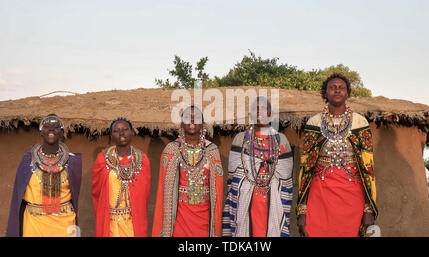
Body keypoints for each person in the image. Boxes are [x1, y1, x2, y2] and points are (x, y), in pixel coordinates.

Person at [296, 73, 378, 237]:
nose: (337, 91)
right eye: (332, 87)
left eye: (341, 88)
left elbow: (368, 168)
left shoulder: (359, 122)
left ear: (348, 93)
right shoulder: (314, 123)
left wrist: (368, 208)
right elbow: (305, 169)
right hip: (320, 195)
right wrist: (302, 210)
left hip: (353, 195)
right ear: (325, 93)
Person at [222, 97, 294, 237]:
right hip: (244, 203)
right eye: (256, 109)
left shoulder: (281, 140)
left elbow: (286, 181)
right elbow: (233, 179)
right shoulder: (240, 139)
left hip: (273, 203)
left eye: (264, 109)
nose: (260, 112)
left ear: (271, 114)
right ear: (250, 115)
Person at [6, 114, 82, 237]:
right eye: (47, 126)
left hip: (64, 223)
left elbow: (75, 194)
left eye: (56, 127)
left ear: (62, 132)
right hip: (34, 223)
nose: (51, 130)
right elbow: (18, 193)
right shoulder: (27, 160)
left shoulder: (72, 162)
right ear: (41, 132)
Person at [152, 106, 223, 237]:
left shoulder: (212, 150)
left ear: (202, 124)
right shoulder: (171, 150)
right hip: (179, 218)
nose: (191, 121)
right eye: (187, 118)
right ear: (181, 124)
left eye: (196, 118)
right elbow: (163, 191)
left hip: (205, 218)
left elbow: (217, 192)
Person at [91, 117, 151, 237]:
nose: (121, 133)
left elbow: (143, 195)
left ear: (132, 132)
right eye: (116, 130)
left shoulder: (142, 160)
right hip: (111, 223)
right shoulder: (102, 159)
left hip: (133, 223)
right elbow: (97, 192)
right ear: (111, 135)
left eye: (125, 129)